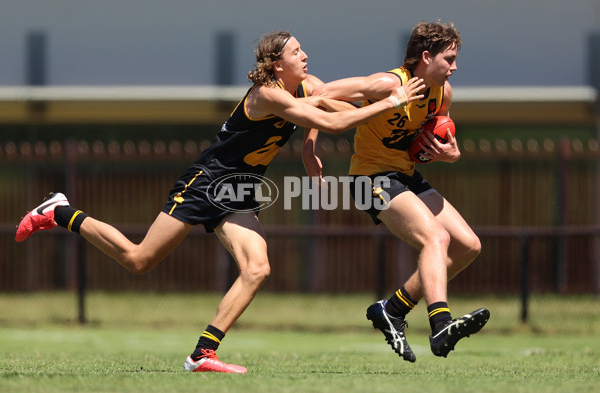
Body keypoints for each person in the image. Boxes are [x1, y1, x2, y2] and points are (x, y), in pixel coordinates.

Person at [15, 31, 426, 373]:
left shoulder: (305, 85)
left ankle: (202, 353)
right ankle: (59, 210)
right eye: (297, 52)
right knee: (138, 260)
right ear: (276, 64)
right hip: (207, 182)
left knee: (258, 267)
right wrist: (391, 102)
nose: (306, 56)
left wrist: (312, 146)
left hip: (240, 188)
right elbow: (333, 119)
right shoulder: (268, 94)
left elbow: (331, 108)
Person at [309, 21, 490, 362]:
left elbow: (438, 139)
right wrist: (310, 146)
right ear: (426, 56)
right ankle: (440, 324)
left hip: (404, 175)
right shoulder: (388, 83)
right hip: (366, 179)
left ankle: (392, 309)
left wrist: (452, 153)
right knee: (435, 237)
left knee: (468, 245)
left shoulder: (442, 94)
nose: (455, 66)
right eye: (449, 58)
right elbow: (318, 95)